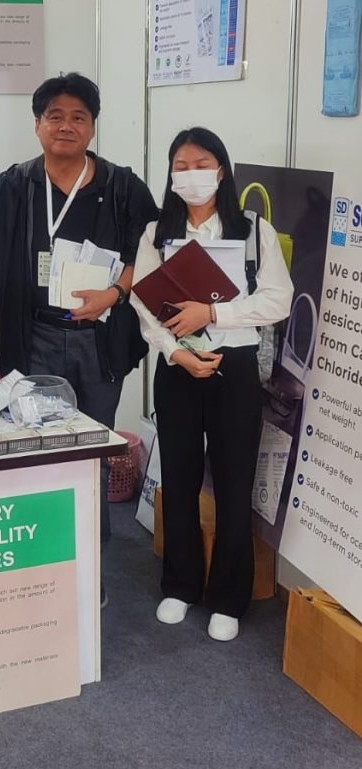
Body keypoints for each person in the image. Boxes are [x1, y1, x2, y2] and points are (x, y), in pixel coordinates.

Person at [0, 73, 158, 579]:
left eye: (78, 117)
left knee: (92, 451)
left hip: (98, 342)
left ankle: (91, 563)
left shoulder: (121, 187)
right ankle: (40, 564)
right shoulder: (14, 185)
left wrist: (115, 293)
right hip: (32, 337)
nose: (66, 126)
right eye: (54, 116)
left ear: (92, 127)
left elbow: (153, 253)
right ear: (37, 125)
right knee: (34, 449)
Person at [129, 127, 293, 641]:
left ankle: (228, 597)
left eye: (201, 164)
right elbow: (143, 302)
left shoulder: (253, 230)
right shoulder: (157, 232)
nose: (191, 174)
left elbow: (278, 300)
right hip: (178, 367)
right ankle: (180, 586)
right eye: (181, 165)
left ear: (221, 171)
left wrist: (214, 312)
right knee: (178, 478)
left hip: (235, 367)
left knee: (233, 481)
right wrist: (174, 350)